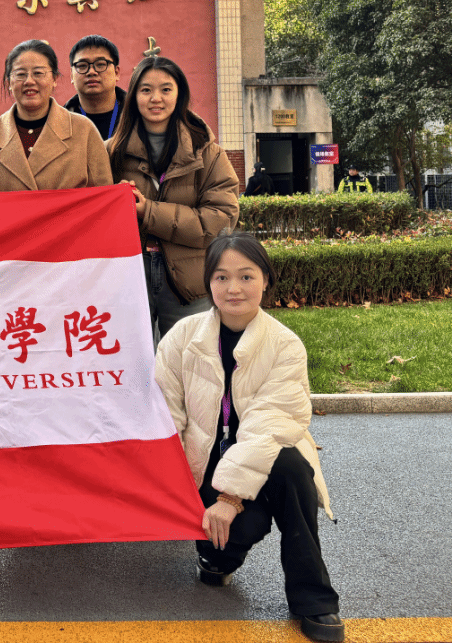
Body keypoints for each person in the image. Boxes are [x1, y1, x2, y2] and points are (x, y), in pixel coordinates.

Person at [155, 231, 343, 643]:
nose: (233, 288)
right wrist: (177, 490)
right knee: (230, 539)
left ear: (265, 280)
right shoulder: (182, 338)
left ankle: (314, 599)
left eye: (246, 276)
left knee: (295, 469)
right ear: (208, 283)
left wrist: (230, 499)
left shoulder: (284, 345)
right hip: (204, 466)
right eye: (221, 277)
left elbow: (269, 425)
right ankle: (218, 558)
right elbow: (166, 416)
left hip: (261, 461)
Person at [108, 56, 239, 342]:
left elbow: (220, 219)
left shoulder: (208, 153)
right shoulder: (111, 153)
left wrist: (148, 211)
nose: (156, 98)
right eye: (146, 90)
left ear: (179, 94)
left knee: (190, 361)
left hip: (189, 282)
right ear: (133, 97)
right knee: (133, 360)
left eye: (166, 89)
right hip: (128, 278)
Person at [0, 39, 112, 193]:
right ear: (9, 82)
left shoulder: (83, 130)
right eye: (20, 74)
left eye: (38, 73)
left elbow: (104, 196)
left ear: (54, 79)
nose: (29, 81)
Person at [64, 34, 127, 140]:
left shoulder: (139, 116)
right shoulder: (59, 122)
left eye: (100, 64)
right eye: (82, 65)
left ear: (116, 72)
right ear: (71, 76)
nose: (91, 72)